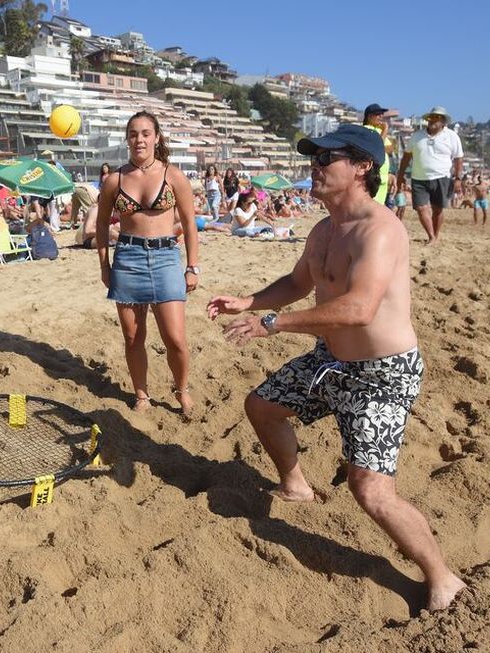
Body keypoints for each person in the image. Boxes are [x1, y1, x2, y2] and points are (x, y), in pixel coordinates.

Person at [207, 123, 466, 612]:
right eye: (314, 159)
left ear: (362, 167)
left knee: (371, 491)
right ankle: (296, 485)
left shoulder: (380, 230)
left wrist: (273, 323)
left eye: (326, 159)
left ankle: (442, 578)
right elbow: (298, 281)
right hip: (333, 361)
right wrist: (250, 301)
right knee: (261, 406)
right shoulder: (324, 229)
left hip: (382, 375)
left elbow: (358, 309)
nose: (315, 167)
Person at [96, 110, 200, 417]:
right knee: (132, 338)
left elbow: (191, 226)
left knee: (176, 339)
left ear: (156, 137)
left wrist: (192, 266)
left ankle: (181, 389)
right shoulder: (115, 180)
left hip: (167, 258)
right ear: (127, 139)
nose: (139, 139)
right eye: (133, 134)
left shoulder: (174, 176)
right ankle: (142, 394)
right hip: (127, 258)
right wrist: (105, 266)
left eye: (145, 133)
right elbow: (102, 225)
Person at [397, 106, 463, 245]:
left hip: (442, 177)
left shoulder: (452, 136)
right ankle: (431, 236)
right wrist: (400, 175)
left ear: (443, 121)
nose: (433, 120)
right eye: (431, 117)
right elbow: (406, 157)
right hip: (418, 178)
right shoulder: (417, 136)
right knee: (421, 208)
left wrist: (457, 178)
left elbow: (458, 158)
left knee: (437, 209)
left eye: (437, 118)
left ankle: (435, 235)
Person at [362, 103, 395, 205]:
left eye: (382, 114)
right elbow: (378, 148)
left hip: (383, 177)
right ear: (369, 116)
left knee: (379, 206)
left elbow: (390, 149)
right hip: (373, 176)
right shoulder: (366, 130)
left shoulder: (379, 131)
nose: (381, 116)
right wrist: (385, 130)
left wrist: (380, 146)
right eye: (377, 114)